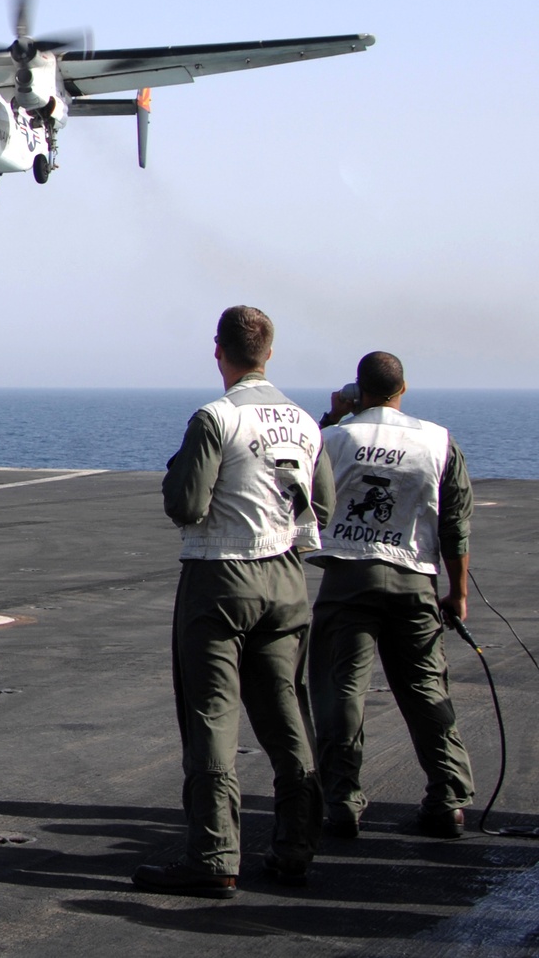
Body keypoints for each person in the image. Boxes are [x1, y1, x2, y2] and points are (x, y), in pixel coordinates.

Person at [133, 306, 335, 899]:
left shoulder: (215, 417)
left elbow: (186, 505)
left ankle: (215, 855)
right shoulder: (304, 422)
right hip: (287, 579)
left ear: (217, 351)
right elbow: (319, 506)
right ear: (268, 352)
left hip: (220, 580)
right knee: (284, 714)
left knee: (211, 717)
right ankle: (296, 846)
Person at [308, 351, 474, 839]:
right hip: (414, 579)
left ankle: (341, 801)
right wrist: (457, 592)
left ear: (359, 390)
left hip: (347, 579)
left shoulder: (334, 439)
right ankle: (448, 798)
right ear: (403, 389)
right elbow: (455, 526)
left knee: (341, 690)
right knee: (425, 689)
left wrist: (333, 417)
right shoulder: (438, 440)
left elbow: (296, 481)